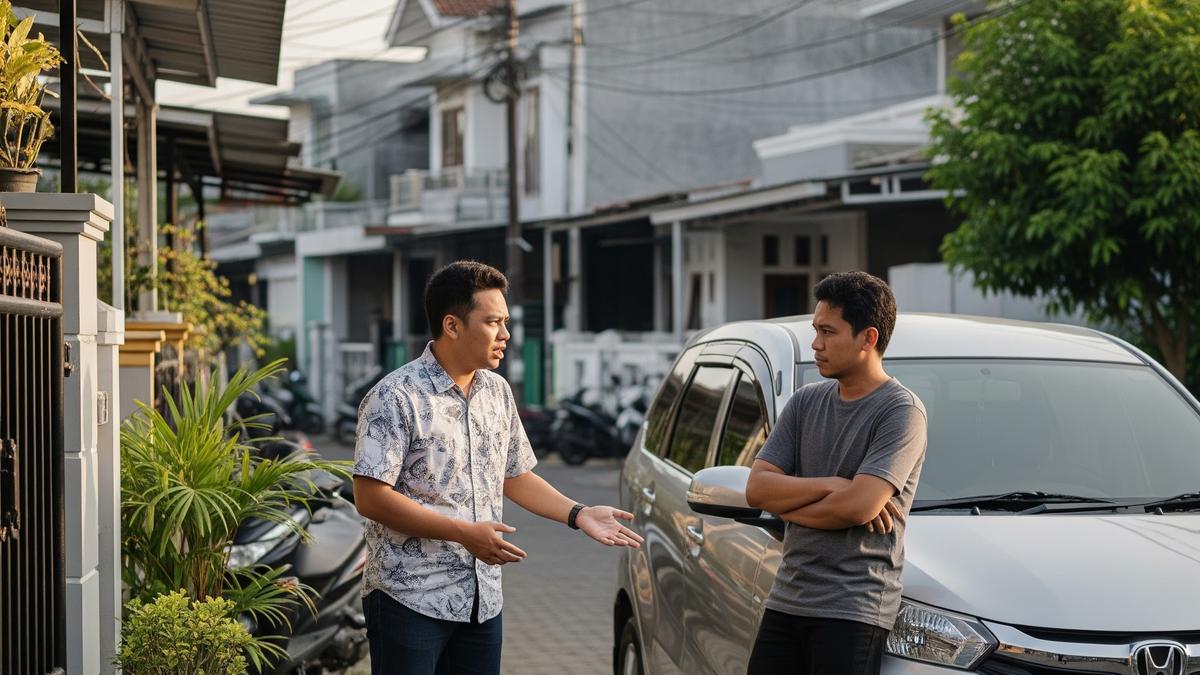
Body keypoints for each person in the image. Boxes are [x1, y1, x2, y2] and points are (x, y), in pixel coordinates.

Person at [352, 261, 643, 675]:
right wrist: (462, 534)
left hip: (481, 601)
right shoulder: (395, 396)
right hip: (409, 598)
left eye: (505, 322)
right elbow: (370, 497)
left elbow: (515, 475)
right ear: (452, 325)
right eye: (493, 322)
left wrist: (578, 514)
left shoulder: (497, 392)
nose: (506, 335)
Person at [744, 271, 928, 675]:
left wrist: (788, 505)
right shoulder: (805, 402)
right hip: (788, 596)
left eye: (828, 331)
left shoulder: (901, 412)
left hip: (853, 608)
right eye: (815, 330)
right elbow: (757, 490)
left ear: (868, 338)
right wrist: (832, 484)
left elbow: (857, 508)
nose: (816, 344)